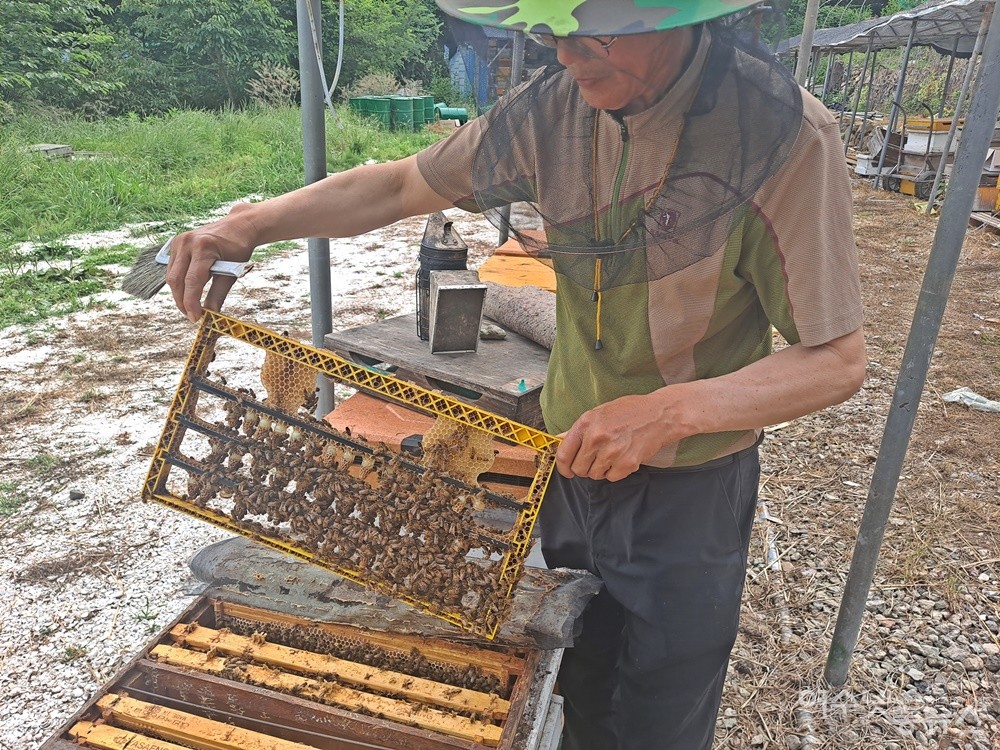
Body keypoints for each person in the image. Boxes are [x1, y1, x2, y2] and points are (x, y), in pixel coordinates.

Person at [165, 1, 867, 747]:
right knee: (572, 671)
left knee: (664, 704)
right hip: (563, 466)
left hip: (688, 493)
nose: (568, 58)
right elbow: (403, 186)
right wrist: (251, 223)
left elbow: (837, 361)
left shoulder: (786, 134)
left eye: (595, 32)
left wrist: (669, 412)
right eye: (550, 32)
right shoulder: (551, 111)